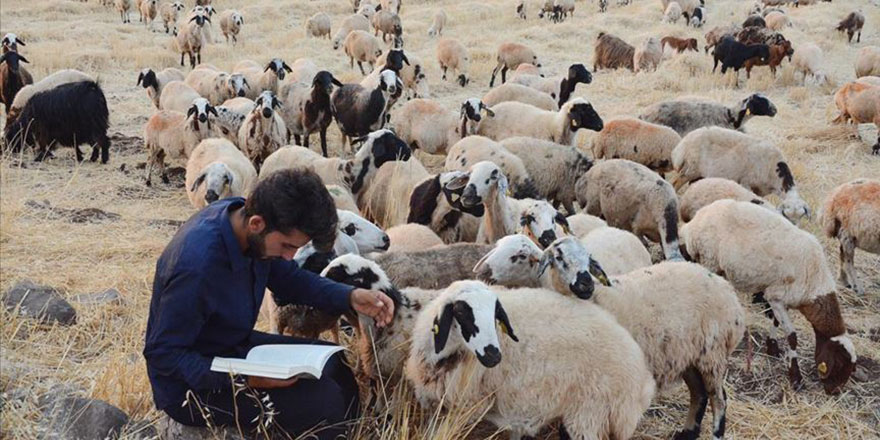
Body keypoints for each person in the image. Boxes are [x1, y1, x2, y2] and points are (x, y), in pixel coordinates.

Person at [143, 169, 395, 439]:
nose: (289, 256)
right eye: (287, 246)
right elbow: (163, 354)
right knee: (324, 401)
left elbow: (288, 279)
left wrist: (349, 296)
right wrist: (244, 380)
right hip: (192, 386)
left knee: (335, 362)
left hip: (231, 344)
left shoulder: (249, 222)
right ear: (256, 224)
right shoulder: (197, 267)